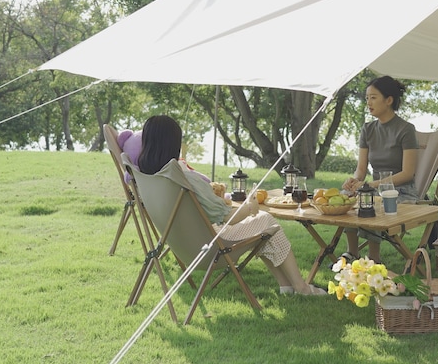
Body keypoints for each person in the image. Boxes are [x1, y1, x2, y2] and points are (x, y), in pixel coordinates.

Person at [135, 114, 325, 296]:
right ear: (173, 144)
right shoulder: (184, 178)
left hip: (182, 246)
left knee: (262, 229)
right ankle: (301, 287)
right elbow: (226, 217)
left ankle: (286, 286)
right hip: (210, 246)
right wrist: (249, 207)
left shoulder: (148, 178)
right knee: (267, 221)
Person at [341, 75, 419, 261]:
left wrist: (372, 185)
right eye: (367, 98)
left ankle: (373, 259)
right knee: (345, 199)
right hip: (374, 189)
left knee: (371, 203)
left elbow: (408, 173)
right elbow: (361, 170)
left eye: (373, 97)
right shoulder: (368, 129)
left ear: (389, 100)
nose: (368, 102)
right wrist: (354, 181)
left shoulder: (406, 129)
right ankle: (352, 253)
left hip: (400, 191)